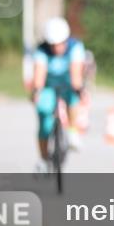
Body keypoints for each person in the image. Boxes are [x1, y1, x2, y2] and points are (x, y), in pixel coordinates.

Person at [32, 17, 86, 173]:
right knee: (44, 118)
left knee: (73, 100)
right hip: (48, 85)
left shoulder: (75, 47)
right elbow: (39, 76)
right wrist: (36, 92)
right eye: (53, 44)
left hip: (68, 82)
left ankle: (73, 132)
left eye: (59, 44)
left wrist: (79, 90)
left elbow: (76, 75)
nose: (56, 48)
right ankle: (43, 159)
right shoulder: (42, 50)